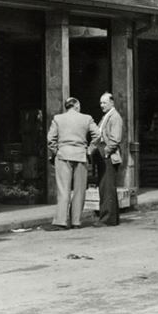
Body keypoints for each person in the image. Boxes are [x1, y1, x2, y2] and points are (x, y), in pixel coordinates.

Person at [45, 97, 100, 230]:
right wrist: (89, 150)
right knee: (80, 190)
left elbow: (50, 139)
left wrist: (56, 150)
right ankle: (76, 221)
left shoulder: (58, 118)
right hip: (81, 155)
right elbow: (97, 135)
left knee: (64, 189)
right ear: (77, 106)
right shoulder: (87, 118)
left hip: (63, 155)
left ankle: (61, 221)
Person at [92, 92, 124, 226]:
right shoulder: (107, 116)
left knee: (107, 187)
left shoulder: (114, 117)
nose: (102, 105)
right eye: (100, 103)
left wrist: (106, 152)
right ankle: (111, 218)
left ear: (112, 103)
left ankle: (107, 219)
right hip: (105, 155)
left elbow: (115, 138)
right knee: (106, 187)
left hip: (109, 156)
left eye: (104, 103)